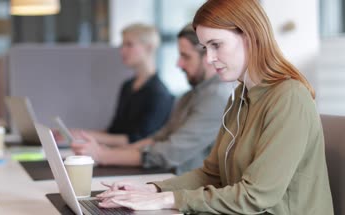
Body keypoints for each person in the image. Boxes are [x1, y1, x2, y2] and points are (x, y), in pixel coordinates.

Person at [93, 0, 334, 214]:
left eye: (216, 45)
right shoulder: (239, 97)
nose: (209, 58)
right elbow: (212, 174)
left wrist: (168, 199)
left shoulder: (289, 97)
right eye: (205, 48)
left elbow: (255, 196)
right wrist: (152, 189)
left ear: (250, 37)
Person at [71, 24, 231, 174]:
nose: (179, 64)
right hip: (171, 179)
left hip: (190, 189)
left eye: (186, 57)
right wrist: (105, 153)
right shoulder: (190, 96)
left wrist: (103, 155)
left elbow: (170, 152)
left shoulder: (216, 97)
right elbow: (158, 138)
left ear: (210, 57)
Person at [67, 23, 174, 146]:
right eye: (122, 45)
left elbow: (138, 140)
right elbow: (114, 131)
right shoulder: (127, 86)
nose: (122, 50)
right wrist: (79, 135)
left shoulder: (159, 94)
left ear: (149, 48)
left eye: (129, 45)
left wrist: (84, 135)